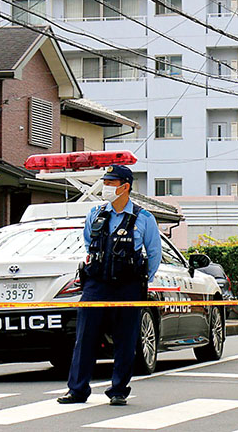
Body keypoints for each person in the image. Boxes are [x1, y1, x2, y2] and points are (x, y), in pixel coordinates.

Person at [58, 165, 161, 406]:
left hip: (128, 286)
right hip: (96, 285)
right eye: (104, 182)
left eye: (111, 183)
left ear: (125, 186)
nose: (106, 187)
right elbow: (88, 244)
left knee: (125, 340)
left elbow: (154, 254)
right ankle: (77, 390)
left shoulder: (143, 217)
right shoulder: (95, 213)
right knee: (85, 338)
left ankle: (118, 390)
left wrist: (142, 280)